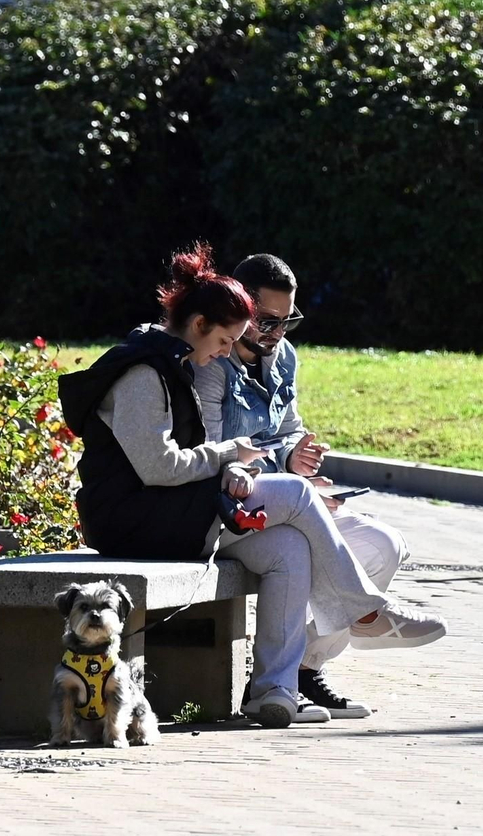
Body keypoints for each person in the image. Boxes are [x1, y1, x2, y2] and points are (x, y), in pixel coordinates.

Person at [57, 242, 445, 729]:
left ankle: (272, 690)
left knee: (288, 549)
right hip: (133, 521)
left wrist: (232, 467)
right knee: (299, 495)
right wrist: (229, 456)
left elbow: (183, 461)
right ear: (200, 324)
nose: (224, 354)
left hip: (170, 512)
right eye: (223, 341)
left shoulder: (177, 362)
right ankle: (365, 611)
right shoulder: (142, 372)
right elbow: (159, 467)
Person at [193, 254, 418, 721]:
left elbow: (287, 430)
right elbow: (215, 452)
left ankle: (302, 670)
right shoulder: (213, 362)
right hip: (228, 512)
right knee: (294, 537)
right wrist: (289, 475)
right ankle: (362, 617)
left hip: (279, 502)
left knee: (384, 544)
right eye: (267, 321)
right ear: (240, 307)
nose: (277, 333)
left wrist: (298, 456)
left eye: (287, 320)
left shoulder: (284, 357)